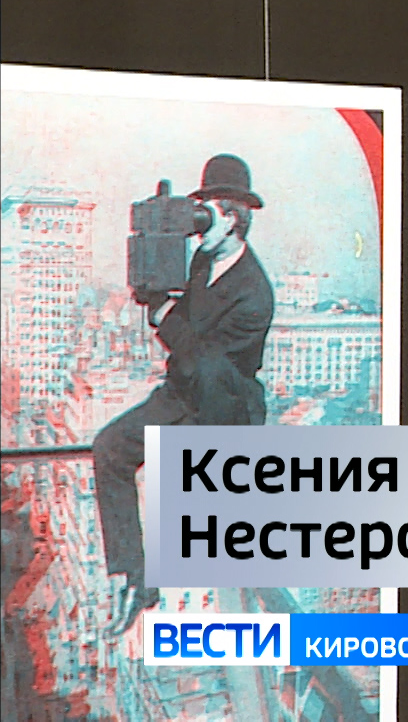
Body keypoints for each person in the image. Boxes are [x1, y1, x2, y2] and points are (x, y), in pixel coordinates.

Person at [92, 154, 275, 636]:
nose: (197, 227)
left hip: (224, 409)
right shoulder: (202, 261)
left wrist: (162, 314)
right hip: (184, 393)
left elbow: (204, 361)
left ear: (233, 218)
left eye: (207, 213)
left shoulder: (254, 293)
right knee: (110, 448)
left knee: (188, 494)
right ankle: (134, 578)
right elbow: (187, 350)